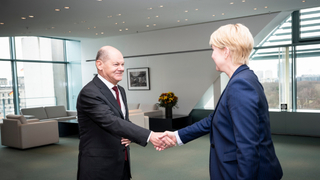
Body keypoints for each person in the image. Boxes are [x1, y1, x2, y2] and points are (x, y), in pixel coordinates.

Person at [160, 24, 283, 180]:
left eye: (213, 49)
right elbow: (215, 119)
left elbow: (248, 147)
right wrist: (177, 136)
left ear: (226, 52)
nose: (212, 56)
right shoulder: (245, 78)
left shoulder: (240, 85)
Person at [76, 46, 175, 180]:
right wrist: (150, 135)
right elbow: (111, 121)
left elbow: (123, 121)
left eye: (122, 64)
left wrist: (130, 135)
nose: (121, 68)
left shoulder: (120, 90)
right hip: (98, 166)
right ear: (99, 64)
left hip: (121, 161)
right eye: (116, 64)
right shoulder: (90, 92)